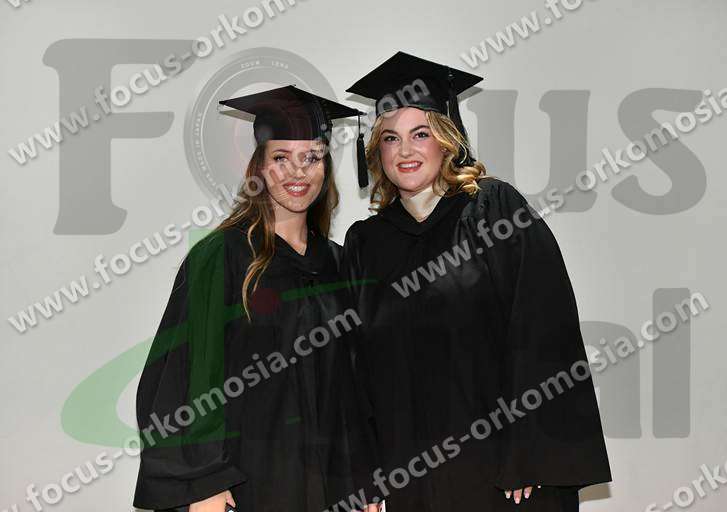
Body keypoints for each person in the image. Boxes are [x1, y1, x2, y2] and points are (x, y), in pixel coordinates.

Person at [341, 52, 612, 511]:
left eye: (420, 134)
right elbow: (354, 368)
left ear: (447, 141)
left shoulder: (494, 211)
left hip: (502, 473)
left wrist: (530, 454)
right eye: (390, 138)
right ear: (376, 152)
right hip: (411, 475)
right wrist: (365, 473)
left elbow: (543, 331)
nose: (405, 151)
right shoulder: (366, 244)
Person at [132, 86, 379, 512]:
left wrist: (364, 482)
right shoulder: (222, 256)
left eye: (312, 157)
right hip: (247, 483)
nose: (297, 172)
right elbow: (186, 374)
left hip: (331, 484)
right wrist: (203, 483)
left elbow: (352, 388)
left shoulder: (338, 264)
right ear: (259, 168)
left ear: (326, 168)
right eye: (281, 157)